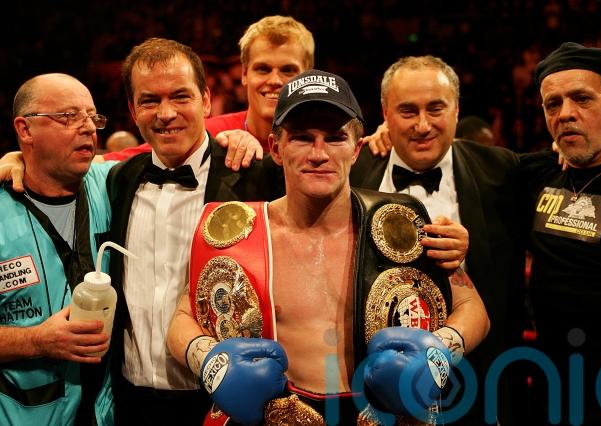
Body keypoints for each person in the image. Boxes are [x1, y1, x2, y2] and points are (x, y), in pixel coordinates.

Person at [166, 69, 489, 425]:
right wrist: (211, 363)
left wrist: (437, 353)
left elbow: (473, 308)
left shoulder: (399, 226)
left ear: (356, 148)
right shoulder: (241, 234)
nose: (319, 154)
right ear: (276, 148)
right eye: (302, 138)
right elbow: (182, 319)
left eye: (335, 138)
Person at [105, 37, 282, 426]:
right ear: (133, 110)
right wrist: (16, 159)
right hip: (131, 402)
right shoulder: (118, 180)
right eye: (150, 100)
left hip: (224, 403)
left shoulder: (255, 176)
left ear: (205, 101)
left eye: (180, 96)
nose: (166, 113)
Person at [350, 56, 526, 425]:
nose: (423, 125)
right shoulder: (352, 168)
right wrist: (233, 135)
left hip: (476, 385)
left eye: (435, 108)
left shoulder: (502, 170)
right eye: (407, 111)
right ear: (385, 114)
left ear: (456, 110)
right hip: (369, 386)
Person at [521, 41, 601, 425]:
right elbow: (463, 159)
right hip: (549, 394)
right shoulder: (537, 174)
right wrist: (386, 135)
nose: (566, 113)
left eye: (582, 99)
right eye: (552, 104)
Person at [0, 73, 114, 425]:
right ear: (25, 129)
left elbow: (178, 151)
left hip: (105, 414)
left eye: (92, 117)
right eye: (68, 116)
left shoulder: (113, 183)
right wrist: (36, 341)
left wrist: (238, 136)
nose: (88, 128)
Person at [102, 15, 314, 172]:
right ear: (244, 74)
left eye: (288, 70)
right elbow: (113, 162)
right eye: (263, 69)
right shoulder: (209, 134)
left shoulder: (326, 141)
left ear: (308, 75)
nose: (275, 81)